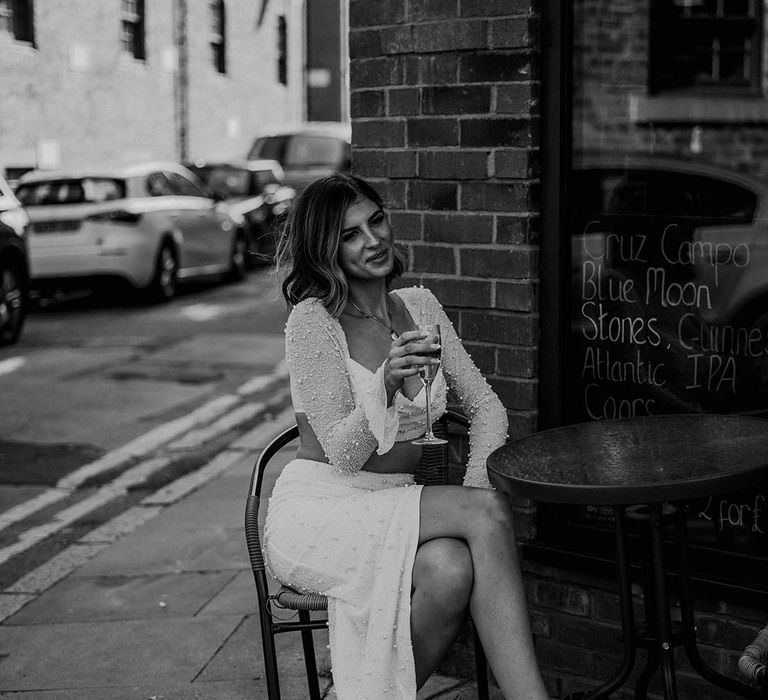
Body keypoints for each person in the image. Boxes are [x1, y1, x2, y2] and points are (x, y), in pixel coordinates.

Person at [264, 173, 549, 699]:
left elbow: (486, 407)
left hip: (394, 506)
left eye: (375, 221)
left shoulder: (419, 305)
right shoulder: (312, 322)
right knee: (485, 515)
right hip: (322, 511)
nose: (372, 240)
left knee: (451, 567)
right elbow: (343, 454)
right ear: (324, 248)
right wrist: (386, 386)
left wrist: (470, 489)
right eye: (349, 234)